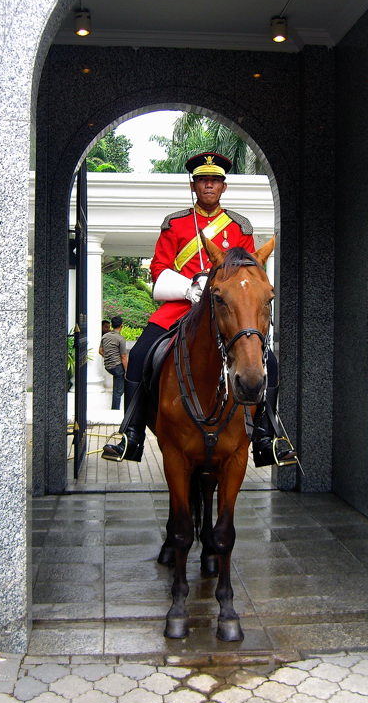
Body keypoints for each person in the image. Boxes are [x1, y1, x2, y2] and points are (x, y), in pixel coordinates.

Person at [102, 151, 296, 467]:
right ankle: (132, 434)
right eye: (203, 181)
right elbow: (159, 267)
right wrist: (188, 288)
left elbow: (249, 270)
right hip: (180, 308)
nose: (209, 186)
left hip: (227, 309)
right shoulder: (176, 224)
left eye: (215, 181)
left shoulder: (239, 227)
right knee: (138, 356)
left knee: (268, 362)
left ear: (223, 187)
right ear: (194, 186)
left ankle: (265, 437)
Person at [99, 315, 128, 410]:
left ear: (111, 325)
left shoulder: (105, 336)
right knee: (118, 391)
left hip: (108, 366)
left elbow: (100, 351)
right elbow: (123, 356)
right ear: (121, 326)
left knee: (119, 386)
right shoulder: (121, 339)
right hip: (117, 366)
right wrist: (127, 370)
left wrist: (108, 357)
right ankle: (115, 410)